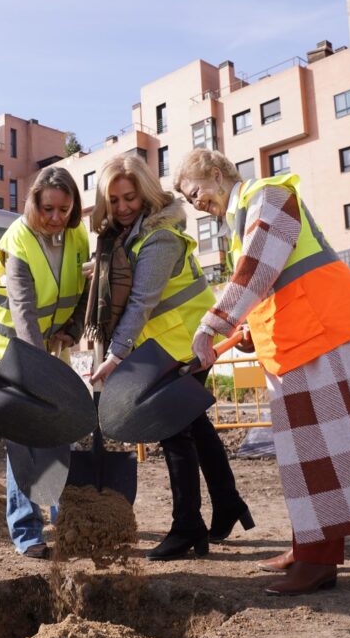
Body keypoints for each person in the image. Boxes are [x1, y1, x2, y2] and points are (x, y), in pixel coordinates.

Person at [178, 148, 350, 596]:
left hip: (324, 333)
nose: (195, 202)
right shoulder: (243, 219)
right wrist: (246, 331)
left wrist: (214, 324)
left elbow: (260, 267)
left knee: (321, 449)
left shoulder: (270, 195)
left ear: (218, 172)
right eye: (187, 198)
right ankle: (307, 546)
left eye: (195, 190)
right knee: (309, 452)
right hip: (307, 338)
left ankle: (319, 562)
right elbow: (268, 286)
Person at [87, 154, 253, 560]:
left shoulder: (159, 238)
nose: (123, 207)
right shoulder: (126, 237)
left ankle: (187, 528)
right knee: (195, 427)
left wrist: (115, 355)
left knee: (174, 433)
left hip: (183, 344)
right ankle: (228, 503)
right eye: (115, 200)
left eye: (130, 197)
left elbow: (142, 301)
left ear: (145, 194)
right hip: (167, 345)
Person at [0, 166, 88, 559]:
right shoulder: (19, 243)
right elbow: (23, 312)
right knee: (24, 436)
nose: (56, 218)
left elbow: (83, 289)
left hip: (50, 345)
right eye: (47, 209)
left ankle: (65, 520)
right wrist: (41, 376)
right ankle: (27, 531)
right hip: (10, 347)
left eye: (64, 209)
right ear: (33, 204)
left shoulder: (77, 236)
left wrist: (72, 330)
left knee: (58, 429)